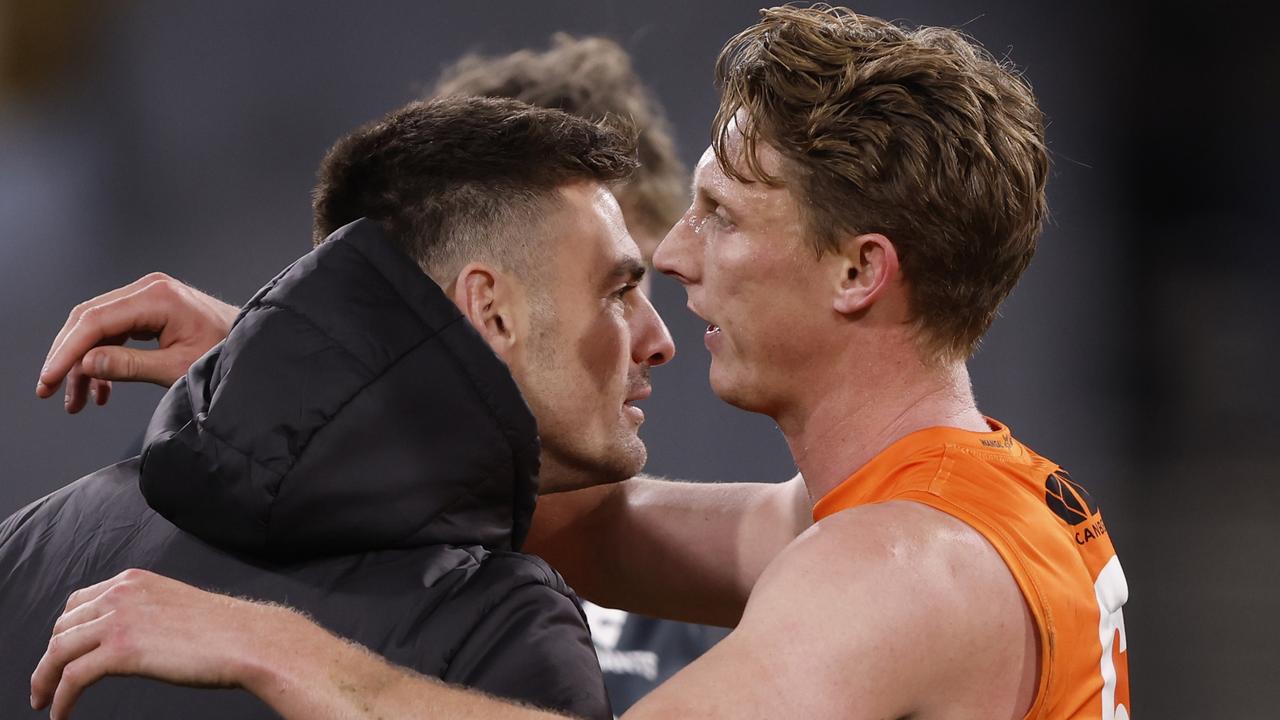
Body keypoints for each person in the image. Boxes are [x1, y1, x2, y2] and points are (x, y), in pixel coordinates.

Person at [30, 6, 1131, 720]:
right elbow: (592, 522)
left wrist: (281, 648)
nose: (673, 253)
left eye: (721, 216)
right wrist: (277, 349)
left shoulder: (896, 574)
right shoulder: (930, 504)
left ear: (857, 271)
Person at [4, 95, 675, 719]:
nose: (658, 340)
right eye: (617, 291)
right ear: (492, 311)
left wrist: (275, 356)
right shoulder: (501, 633)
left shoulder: (40, 536)